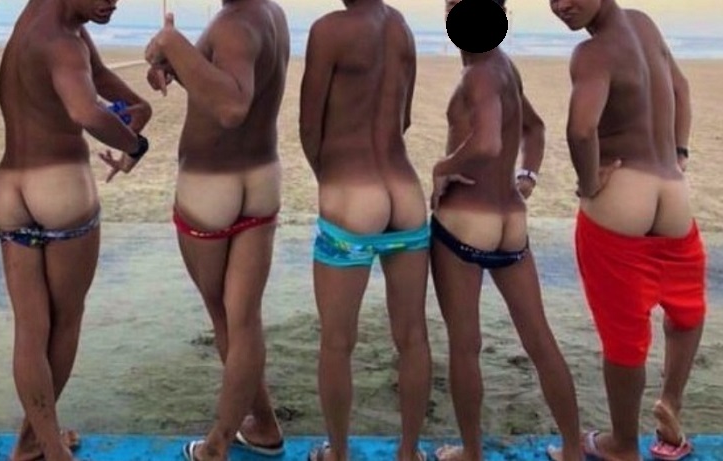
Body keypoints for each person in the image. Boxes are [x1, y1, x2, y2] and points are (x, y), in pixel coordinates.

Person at [0, 0, 151, 459]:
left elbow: (96, 75)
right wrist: (135, 145)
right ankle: (46, 446)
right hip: (60, 186)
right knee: (65, 321)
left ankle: (34, 442)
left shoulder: (41, 22)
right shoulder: (63, 42)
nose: (112, 2)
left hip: (11, 188)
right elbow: (86, 112)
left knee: (30, 329)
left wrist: (140, 105)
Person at [430, 1, 583, 460]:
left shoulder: (477, 74)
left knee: (465, 346)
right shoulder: (504, 67)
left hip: (466, 222)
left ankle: (471, 452)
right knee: (540, 339)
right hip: (510, 222)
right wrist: (527, 176)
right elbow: (534, 128)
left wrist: (443, 166)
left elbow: (489, 141)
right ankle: (572, 449)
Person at [551, 0, 703, 459]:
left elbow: (581, 130)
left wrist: (586, 184)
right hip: (673, 195)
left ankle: (622, 443)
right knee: (685, 310)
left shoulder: (592, 53)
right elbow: (681, 89)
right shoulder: (644, 25)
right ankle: (670, 402)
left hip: (622, 201)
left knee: (624, 334)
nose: (561, 5)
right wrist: (678, 153)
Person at [144, 2, 288, 460]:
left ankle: (216, 444)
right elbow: (230, 80)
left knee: (228, 319)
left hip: (212, 186)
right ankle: (263, 425)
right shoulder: (269, 13)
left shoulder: (233, 23)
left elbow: (231, 106)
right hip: (260, 177)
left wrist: (172, 42)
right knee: (244, 319)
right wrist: (181, 64)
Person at [298, 1, 431, 460]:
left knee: (337, 342)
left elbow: (309, 125)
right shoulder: (402, 28)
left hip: (352, 195)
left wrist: (329, 177)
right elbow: (404, 119)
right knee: (413, 337)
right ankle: (409, 451)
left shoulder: (329, 30)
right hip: (406, 194)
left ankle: (338, 453)